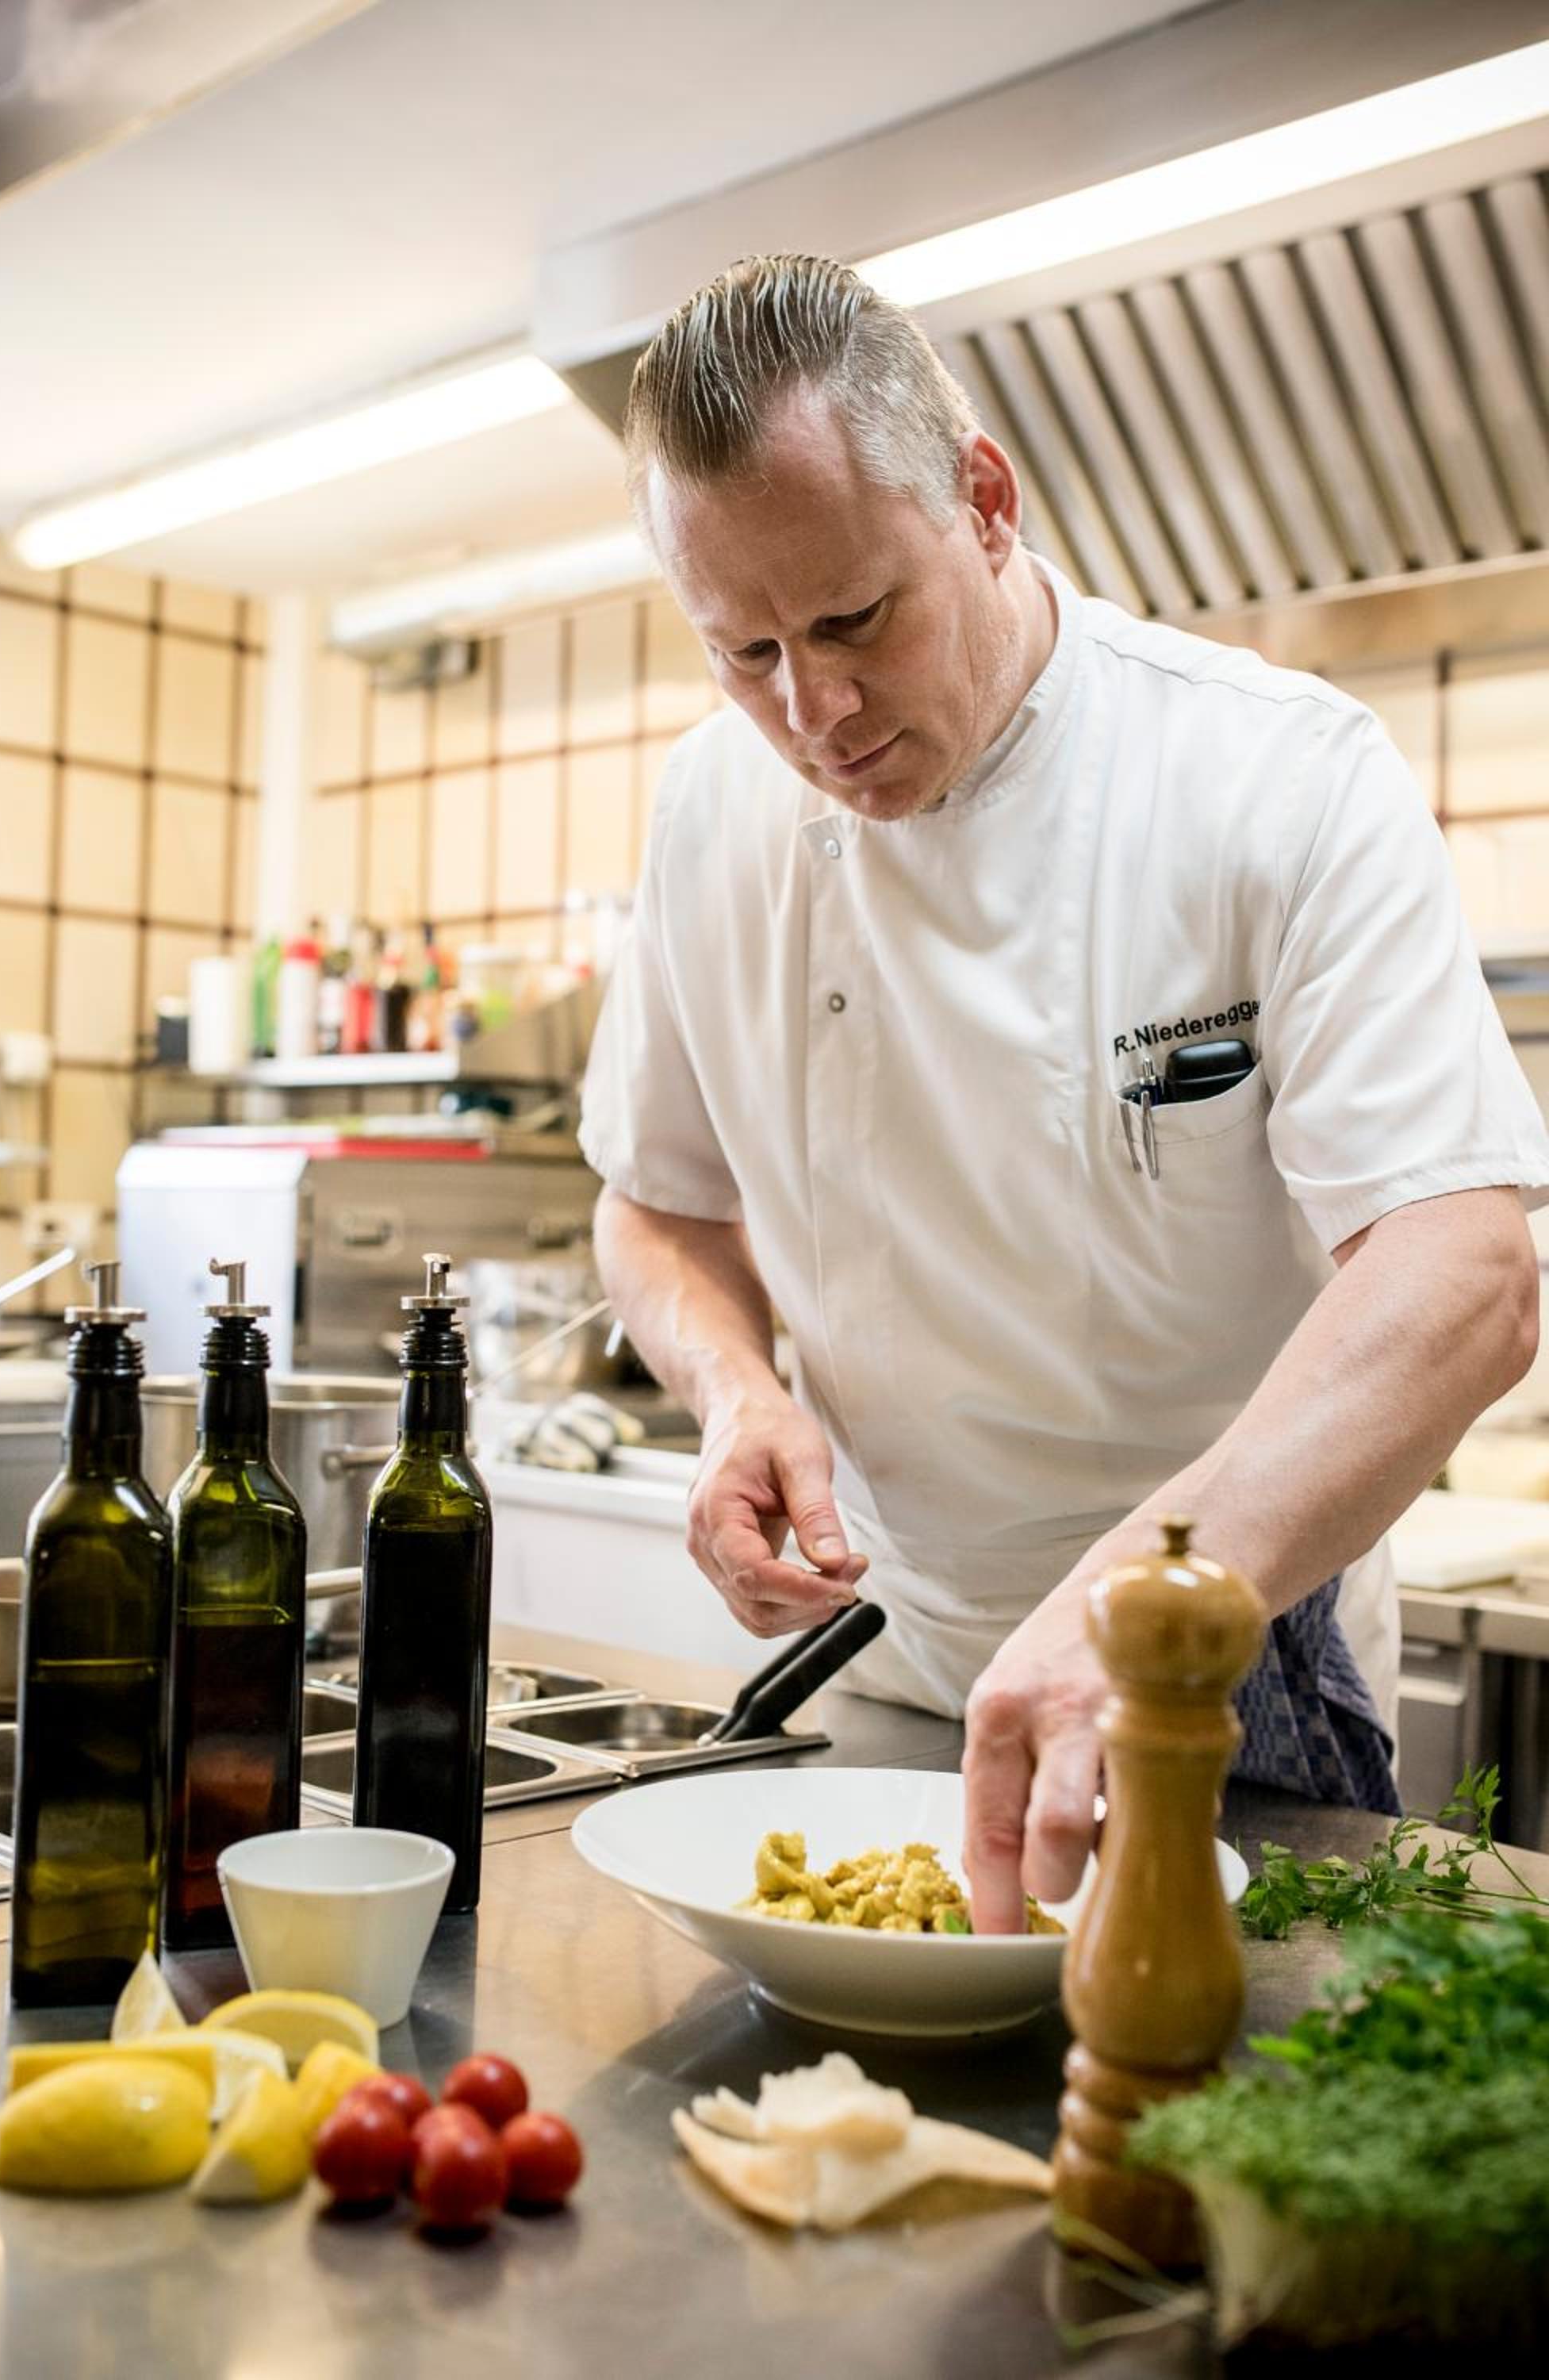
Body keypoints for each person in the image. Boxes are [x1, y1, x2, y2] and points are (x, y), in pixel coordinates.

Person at [579, 253, 1549, 1931]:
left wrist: (1140, 1604)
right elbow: (654, 1208)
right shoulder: (708, 809)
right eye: (745, 651)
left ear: (984, 502)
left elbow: (1466, 1270)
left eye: (853, 621)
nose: (813, 712)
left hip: (1213, 1671)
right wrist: (737, 1396)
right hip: (880, 1658)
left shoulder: (1271, 774)